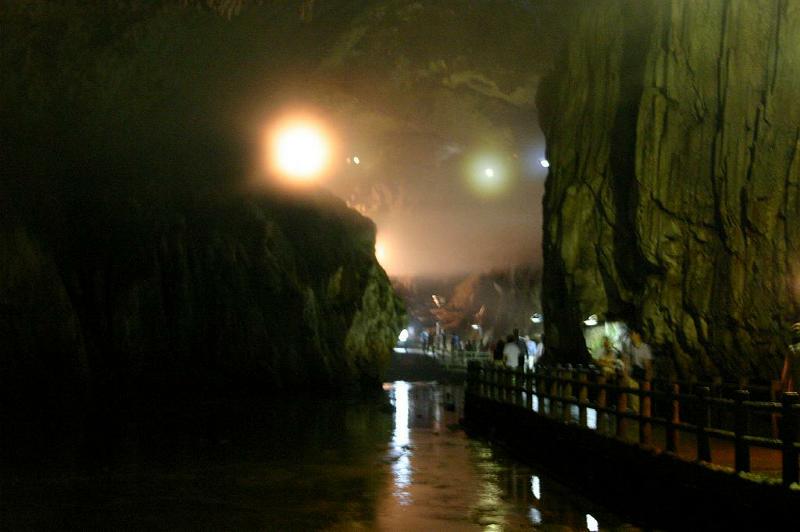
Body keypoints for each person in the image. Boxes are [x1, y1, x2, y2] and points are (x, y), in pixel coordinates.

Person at [781, 322, 800, 392]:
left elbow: (786, 369)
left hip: (795, 383)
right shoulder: (791, 349)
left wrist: (783, 384)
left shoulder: (791, 349)